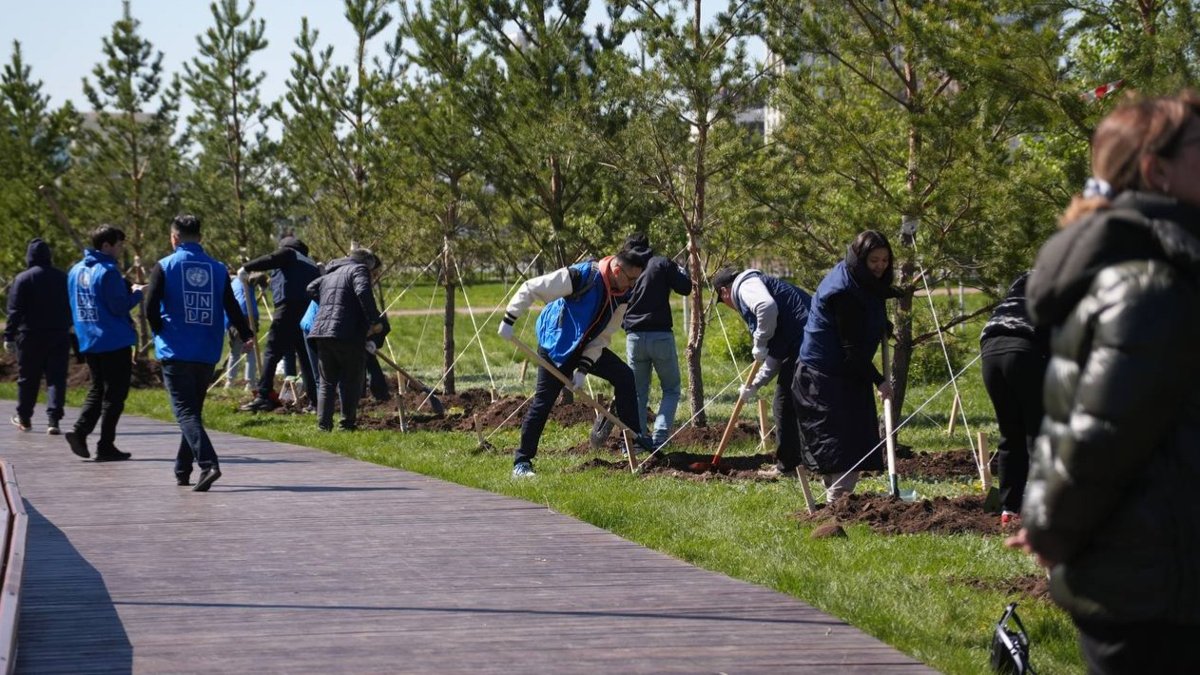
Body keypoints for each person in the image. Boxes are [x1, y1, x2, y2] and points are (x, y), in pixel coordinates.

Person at [1006, 92, 1200, 673]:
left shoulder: (1167, 269)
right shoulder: (1149, 287)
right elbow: (1101, 432)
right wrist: (1053, 528)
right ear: (1156, 171)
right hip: (1152, 587)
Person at [498, 242, 654, 477]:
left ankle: (632, 443)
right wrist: (509, 319)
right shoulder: (581, 276)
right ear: (617, 270)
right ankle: (522, 462)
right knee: (543, 402)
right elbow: (531, 287)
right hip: (556, 344)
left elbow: (603, 336)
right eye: (631, 279)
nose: (632, 285)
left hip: (585, 345)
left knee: (624, 376)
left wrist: (583, 368)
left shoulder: (623, 296)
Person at [145, 215, 253, 491]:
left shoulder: (164, 266)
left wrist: (159, 331)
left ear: (174, 238)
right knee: (192, 411)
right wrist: (247, 334)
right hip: (206, 350)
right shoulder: (218, 269)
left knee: (185, 412)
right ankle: (183, 469)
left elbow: (150, 307)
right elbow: (231, 306)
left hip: (176, 349)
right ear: (201, 238)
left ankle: (208, 464)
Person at [793, 231, 896, 500]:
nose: (880, 266)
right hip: (823, 376)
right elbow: (851, 349)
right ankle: (837, 504)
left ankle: (836, 501)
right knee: (841, 444)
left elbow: (866, 311)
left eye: (885, 260)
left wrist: (880, 325)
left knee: (848, 440)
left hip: (842, 372)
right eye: (874, 260)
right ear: (860, 258)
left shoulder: (860, 277)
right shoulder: (843, 290)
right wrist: (879, 381)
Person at [711, 266, 811, 480]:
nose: (730, 307)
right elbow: (775, 357)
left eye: (723, 301)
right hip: (803, 343)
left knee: (787, 404)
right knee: (787, 402)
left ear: (724, 291)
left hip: (807, 343)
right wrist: (755, 385)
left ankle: (795, 466)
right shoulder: (758, 287)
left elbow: (766, 306)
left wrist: (759, 341)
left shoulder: (745, 286)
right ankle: (795, 464)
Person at [65, 225, 145, 461]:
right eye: (119, 245)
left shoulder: (75, 270)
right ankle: (105, 445)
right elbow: (118, 307)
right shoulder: (108, 271)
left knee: (98, 389)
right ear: (106, 245)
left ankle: (80, 432)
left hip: (89, 338)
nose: (121, 250)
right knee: (115, 395)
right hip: (113, 339)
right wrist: (138, 293)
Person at [979, 272, 1048, 524]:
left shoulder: (1007, 304)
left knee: (1010, 434)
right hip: (1024, 353)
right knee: (1037, 432)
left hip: (990, 358)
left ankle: (1009, 509)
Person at [621, 235, 692, 448]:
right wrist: (682, 270)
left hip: (634, 336)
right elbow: (685, 288)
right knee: (671, 388)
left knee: (637, 392)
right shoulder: (661, 263)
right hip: (660, 335)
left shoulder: (622, 267)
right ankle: (660, 437)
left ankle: (637, 441)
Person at [305, 248, 385, 432]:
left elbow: (310, 288)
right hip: (346, 332)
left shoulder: (332, 272)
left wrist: (327, 304)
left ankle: (323, 425)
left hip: (322, 332)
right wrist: (374, 320)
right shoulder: (359, 269)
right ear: (367, 263)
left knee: (327, 382)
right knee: (350, 380)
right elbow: (363, 291)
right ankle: (346, 424)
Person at [239, 234, 319, 412]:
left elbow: (271, 259)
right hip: (307, 313)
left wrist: (246, 267)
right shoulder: (311, 263)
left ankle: (264, 395)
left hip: (288, 308)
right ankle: (314, 401)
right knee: (305, 357)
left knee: (272, 351)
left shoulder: (289, 253)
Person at [5, 238, 72, 434]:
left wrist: (9, 335)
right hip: (59, 334)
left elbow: (15, 310)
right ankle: (54, 420)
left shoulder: (23, 279)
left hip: (30, 335)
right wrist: (69, 325)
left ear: (29, 257)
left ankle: (25, 418)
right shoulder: (63, 277)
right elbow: (72, 305)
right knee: (56, 378)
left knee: (28, 378)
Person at [223, 267, 259, 389]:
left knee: (235, 352)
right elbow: (260, 276)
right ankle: (250, 383)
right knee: (250, 351)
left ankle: (230, 382)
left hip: (237, 316)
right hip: (247, 315)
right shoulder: (245, 281)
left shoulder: (231, 283)